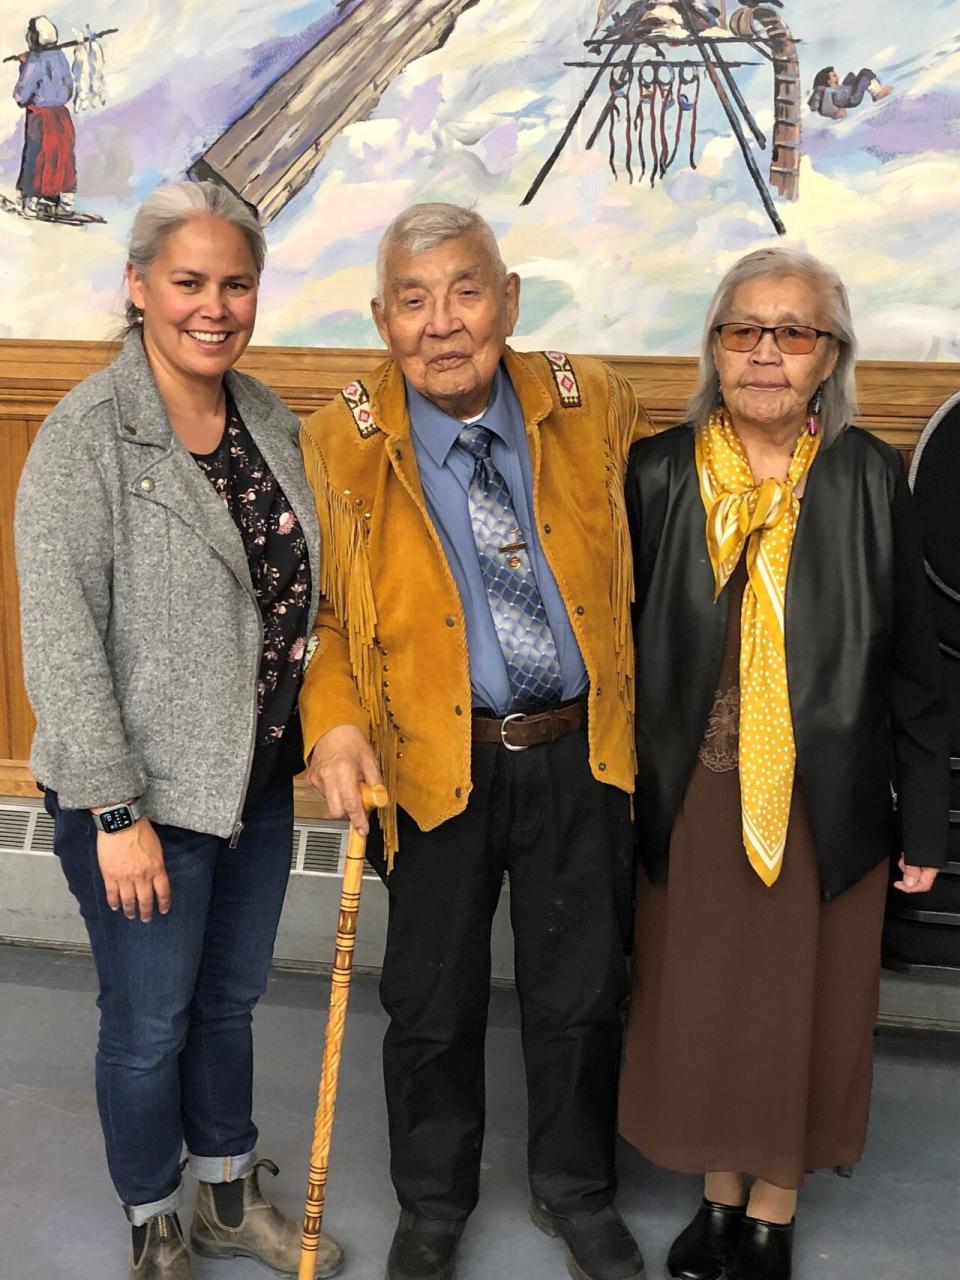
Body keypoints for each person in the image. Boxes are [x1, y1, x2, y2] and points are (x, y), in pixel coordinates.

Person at [299, 202, 653, 1280]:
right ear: (382, 318)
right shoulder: (338, 442)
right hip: (428, 758)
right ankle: (434, 1202)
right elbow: (319, 621)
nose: (441, 324)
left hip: (580, 750)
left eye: (464, 292)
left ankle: (576, 1187)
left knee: (583, 986)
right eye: (413, 300)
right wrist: (335, 721)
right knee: (432, 1000)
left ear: (509, 299)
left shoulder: (596, 405)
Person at [15, 181, 343, 1280]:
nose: (215, 305)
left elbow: (308, 592)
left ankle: (224, 1186)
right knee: (150, 1016)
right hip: (141, 801)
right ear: (139, 287)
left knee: (231, 1001)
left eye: (236, 282)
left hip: (250, 783)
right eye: (190, 281)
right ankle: (155, 1211)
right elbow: (60, 642)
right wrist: (113, 809)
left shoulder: (270, 418)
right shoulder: (85, 437)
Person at [619, 246, 948, 1280]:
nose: (767, 352)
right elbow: (618, 649)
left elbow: (913, 661)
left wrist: (928, 819)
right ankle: (718, 1196)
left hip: (827, 800)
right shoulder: (659, 472)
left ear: (828, 358)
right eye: (743, 329)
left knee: (809, 1007)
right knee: (704, 1001)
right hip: (694, 795)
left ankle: (775, 1206)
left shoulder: (867, 476)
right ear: (714, 349)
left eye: (794, 331)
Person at [12, 16, 77, 217]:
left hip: (40, 118)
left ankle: (30, 203)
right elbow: (68, 88)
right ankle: (66, 202)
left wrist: (24, 65)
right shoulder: (60, 57)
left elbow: (21, 94)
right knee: (63, 158)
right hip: (62, 117)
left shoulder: (34, 60)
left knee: (37, 157)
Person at [808, 65, 893, 119]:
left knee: (850, 75)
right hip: (853, 98)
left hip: (848, 93)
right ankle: (878, 94)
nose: (837, 77)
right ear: (828, 81)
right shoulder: (828, 91)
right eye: (834, 76)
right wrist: (836, 112)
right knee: (864, 73)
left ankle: (872, 86)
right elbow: (827, 106)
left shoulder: (832, 89)